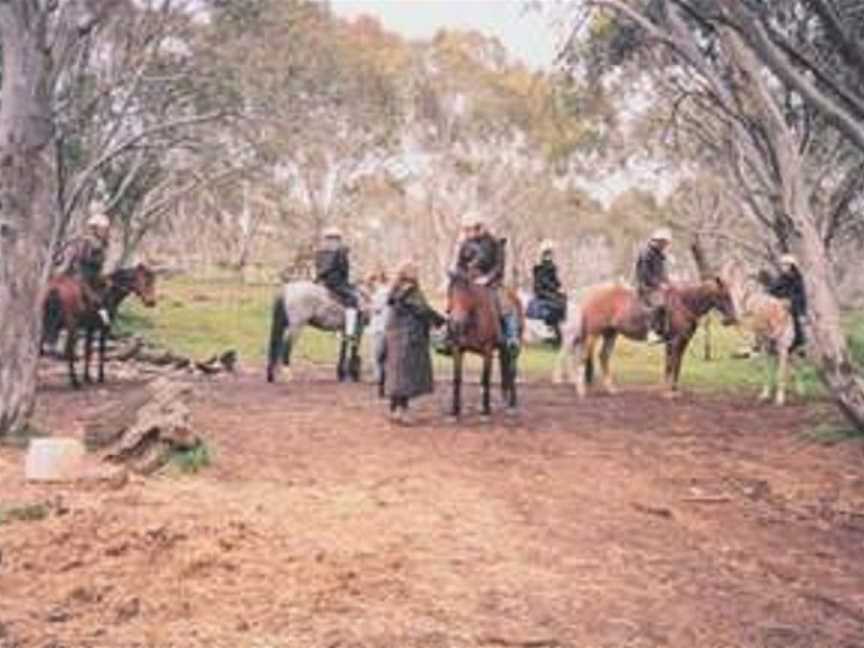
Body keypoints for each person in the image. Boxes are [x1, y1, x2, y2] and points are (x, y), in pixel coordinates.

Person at [385, 260, 446, 424]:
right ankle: (403, 412)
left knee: (396, 373)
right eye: (415, 270)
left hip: (394, 336)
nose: (418, 273)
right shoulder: (411, 291)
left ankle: (394, 409)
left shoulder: (395, 290)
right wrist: (440, 320)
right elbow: (422, 310)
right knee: (407, 375)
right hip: (410, 336)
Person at [453, 211, 519, 348]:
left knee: (506, 305)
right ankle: (448, 335)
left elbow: (499, 267)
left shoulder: (495, 243)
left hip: (491, 283)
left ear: (480, 227)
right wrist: (463, 276)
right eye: (467, 229)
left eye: (472, 228)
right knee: (454, 301)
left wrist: (487, 279)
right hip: (468, 282)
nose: (469, 232)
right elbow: (459, 265)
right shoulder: (465, 244)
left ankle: (511, 337)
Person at [53, 201, 112, 327]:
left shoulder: (98, 242)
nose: (104, 231)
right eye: (102, 229)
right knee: (97, 297)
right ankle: (100, 318)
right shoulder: (88, 241)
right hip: (83, 273)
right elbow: (81, 258)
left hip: (88, 272)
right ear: (95, 228)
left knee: (107, 286)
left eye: (105, 229)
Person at [314, 226, 360, 339]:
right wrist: (348, 282)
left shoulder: (319, 251)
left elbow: (317, 266)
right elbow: (344, 268)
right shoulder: (341, 250)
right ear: (338, 238)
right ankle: (349, 330)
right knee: (353, 299)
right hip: (336, 282)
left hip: (321, 281)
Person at [764, 253, 808, 352]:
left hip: (795, 306)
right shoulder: (781, 278)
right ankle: (772, 344)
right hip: (779, 306)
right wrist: (779, 298)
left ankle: (797, 346)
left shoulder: (798, 278)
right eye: (783, 265)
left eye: (786, 265)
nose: (784, 267)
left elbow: (801, 296)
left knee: (797, 325)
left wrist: (801, 312)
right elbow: (771, 290)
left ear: (792, 266)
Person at [635, 226, 673, 343]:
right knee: (659, 303)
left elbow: (662, 273)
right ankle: (651, 332)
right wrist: (659, 285)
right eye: (664, 243)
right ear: (658, 241)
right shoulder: (646, 253)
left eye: (667, 243)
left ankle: (665, 330)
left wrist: (669, 282)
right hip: (646, 286)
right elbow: (645, 274)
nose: (666, 245)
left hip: (656, 286)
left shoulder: (659, 255)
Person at [531, 239, 567, 344]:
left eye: (550, 253)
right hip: (541, 290)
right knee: (556, 302)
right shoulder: (539, 267)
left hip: (549, 290)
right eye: (548, 253)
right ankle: (551, 327)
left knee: (562, 299)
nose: (550, 256)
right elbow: (543, 281)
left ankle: (556, 326)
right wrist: (555, 288)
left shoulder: (551, 266)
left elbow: (555, 280)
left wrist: (559, 286)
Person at [365, 269, 391, 389]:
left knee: (376, 354)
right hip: (385, 325)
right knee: (382, 354)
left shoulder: (381, 294)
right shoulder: (388, 292)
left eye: (371, 283)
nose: (370, 286)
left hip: (379, 327)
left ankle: (379, 376)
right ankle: (382, 376)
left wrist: (366, 305)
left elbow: (376, 309)